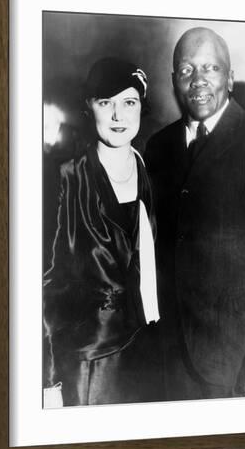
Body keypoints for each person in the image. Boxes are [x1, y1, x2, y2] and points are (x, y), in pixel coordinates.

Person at [144, 27, 245, 400]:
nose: (198, 81)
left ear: (229, 78)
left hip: (237, 362)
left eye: (210, 68)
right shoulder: (158, 147)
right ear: (173, 81)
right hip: (167, 356)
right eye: (186, 70)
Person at [43, 57, 163, 407]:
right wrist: (48, 381)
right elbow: (45, 283)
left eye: (129, 102)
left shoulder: (149, 172)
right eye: (105, 102)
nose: (117, 116)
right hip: (88, 362)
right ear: (88, 107)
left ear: (141, 107)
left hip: (147, 356)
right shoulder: (65, 177)